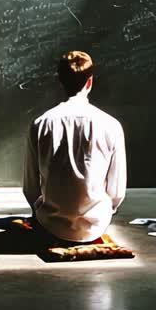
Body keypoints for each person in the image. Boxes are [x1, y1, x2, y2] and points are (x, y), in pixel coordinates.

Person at [23, 50, 127, 245]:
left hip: (50, 224)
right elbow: (117, 191)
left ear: (60, 81)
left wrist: (41, 209)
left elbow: (30, 187)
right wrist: (104, 211)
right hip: (96, 226)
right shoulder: (111, 125)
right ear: (90, 82)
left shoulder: (40, 123)